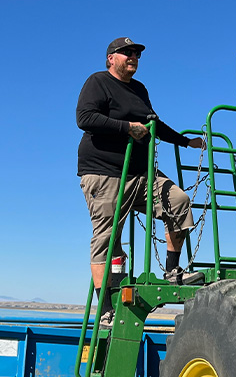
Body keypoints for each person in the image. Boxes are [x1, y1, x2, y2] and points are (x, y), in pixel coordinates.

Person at [76, 37, 205, 323]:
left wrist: (186, 142)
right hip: (104, 171)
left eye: (136, 53)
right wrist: (126, 128)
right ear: (111, 58)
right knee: (109, 237)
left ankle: (172, 270)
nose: (133, 56)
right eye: (127, 52)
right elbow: (85, 118)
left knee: (179, 201)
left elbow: (152, 124)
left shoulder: (139, 89)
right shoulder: (98, 82)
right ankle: (106, 307)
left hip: (141, 173)